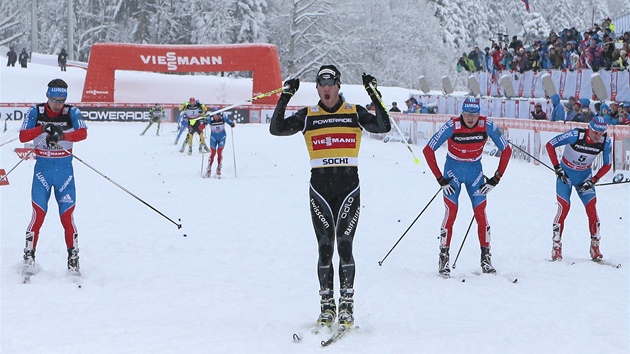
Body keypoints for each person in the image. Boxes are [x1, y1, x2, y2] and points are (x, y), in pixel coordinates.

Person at [269, 65, 391, 329]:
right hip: (320, 190)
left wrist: (374, 93)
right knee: (325, 247)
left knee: (345, 245)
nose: (326, 89)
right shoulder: (308, 115)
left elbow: (384, 125)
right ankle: (327, 307)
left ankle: (347, 306)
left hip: (348, 189)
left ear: (338, 87)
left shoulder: (354, 112)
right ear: (317, 88)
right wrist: (285, 96)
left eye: (330, 84)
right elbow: (276, 129)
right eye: (321, 85)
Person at [422, 97, 512, 277]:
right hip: (452, 173)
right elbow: (428, 149)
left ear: (479, 114)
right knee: (451, 213)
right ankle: (443, 258)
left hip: (475, 174)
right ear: (462, 113)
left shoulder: (487, 125)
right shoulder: (452, 126)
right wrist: (440, 179)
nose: (471, 119)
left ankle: (486, 258)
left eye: (474, 115)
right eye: (467, 114)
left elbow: (507, 150)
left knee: (481, 214)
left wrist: (496, 178)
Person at [18, 79, 88, 276]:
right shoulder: (36, 111)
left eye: (61, 100)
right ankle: (29, 256)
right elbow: (23, 136)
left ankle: (73, 260)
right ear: (47, 96)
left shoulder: (71, 112)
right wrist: (43, 128)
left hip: (65, 173)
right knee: (38, 215)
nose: (57, 105)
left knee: (67, 217)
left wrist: (63, 136)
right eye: (54, 100)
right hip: (43, 171)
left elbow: (83, 133)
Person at [545, 116, 612, 262]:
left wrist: (594, 180)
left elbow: (607, 165)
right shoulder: (575, 135)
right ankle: (556, 247)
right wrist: (557, 168)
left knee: (592, 209)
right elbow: (550, 145)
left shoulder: (606, 141)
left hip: (584, 178)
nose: (598, 137)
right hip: (566, 176)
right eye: (595, 133)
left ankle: (595, 246)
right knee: (564, 208)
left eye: (601, 134)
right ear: (589, 128)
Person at [204, 107, 235, 178]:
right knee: (213, 152)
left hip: (222, 137)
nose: (217, 117)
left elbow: (229, 122)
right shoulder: (210, 119)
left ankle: (219, 167)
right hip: (213, 138)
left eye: (218, 115)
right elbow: (203, 125)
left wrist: (231, 124)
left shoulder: (223, 117)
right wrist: (202, 125)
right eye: (215, 115)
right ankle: (209, 168)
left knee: (219, 151)